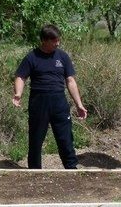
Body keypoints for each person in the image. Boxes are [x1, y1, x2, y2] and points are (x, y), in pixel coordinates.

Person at [13, 24, 88, 169]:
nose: (58, 43)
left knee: (65, 138)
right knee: (36, 139)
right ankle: (34, 171)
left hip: (59, 102)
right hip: (39, 102)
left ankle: (71, 169)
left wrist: (78, 104)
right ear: (44, 40)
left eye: (58, 40)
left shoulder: (63, 56)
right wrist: (18, 93)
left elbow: (70, 81)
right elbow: (20, 77)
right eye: (54, 41)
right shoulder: (31, 57)